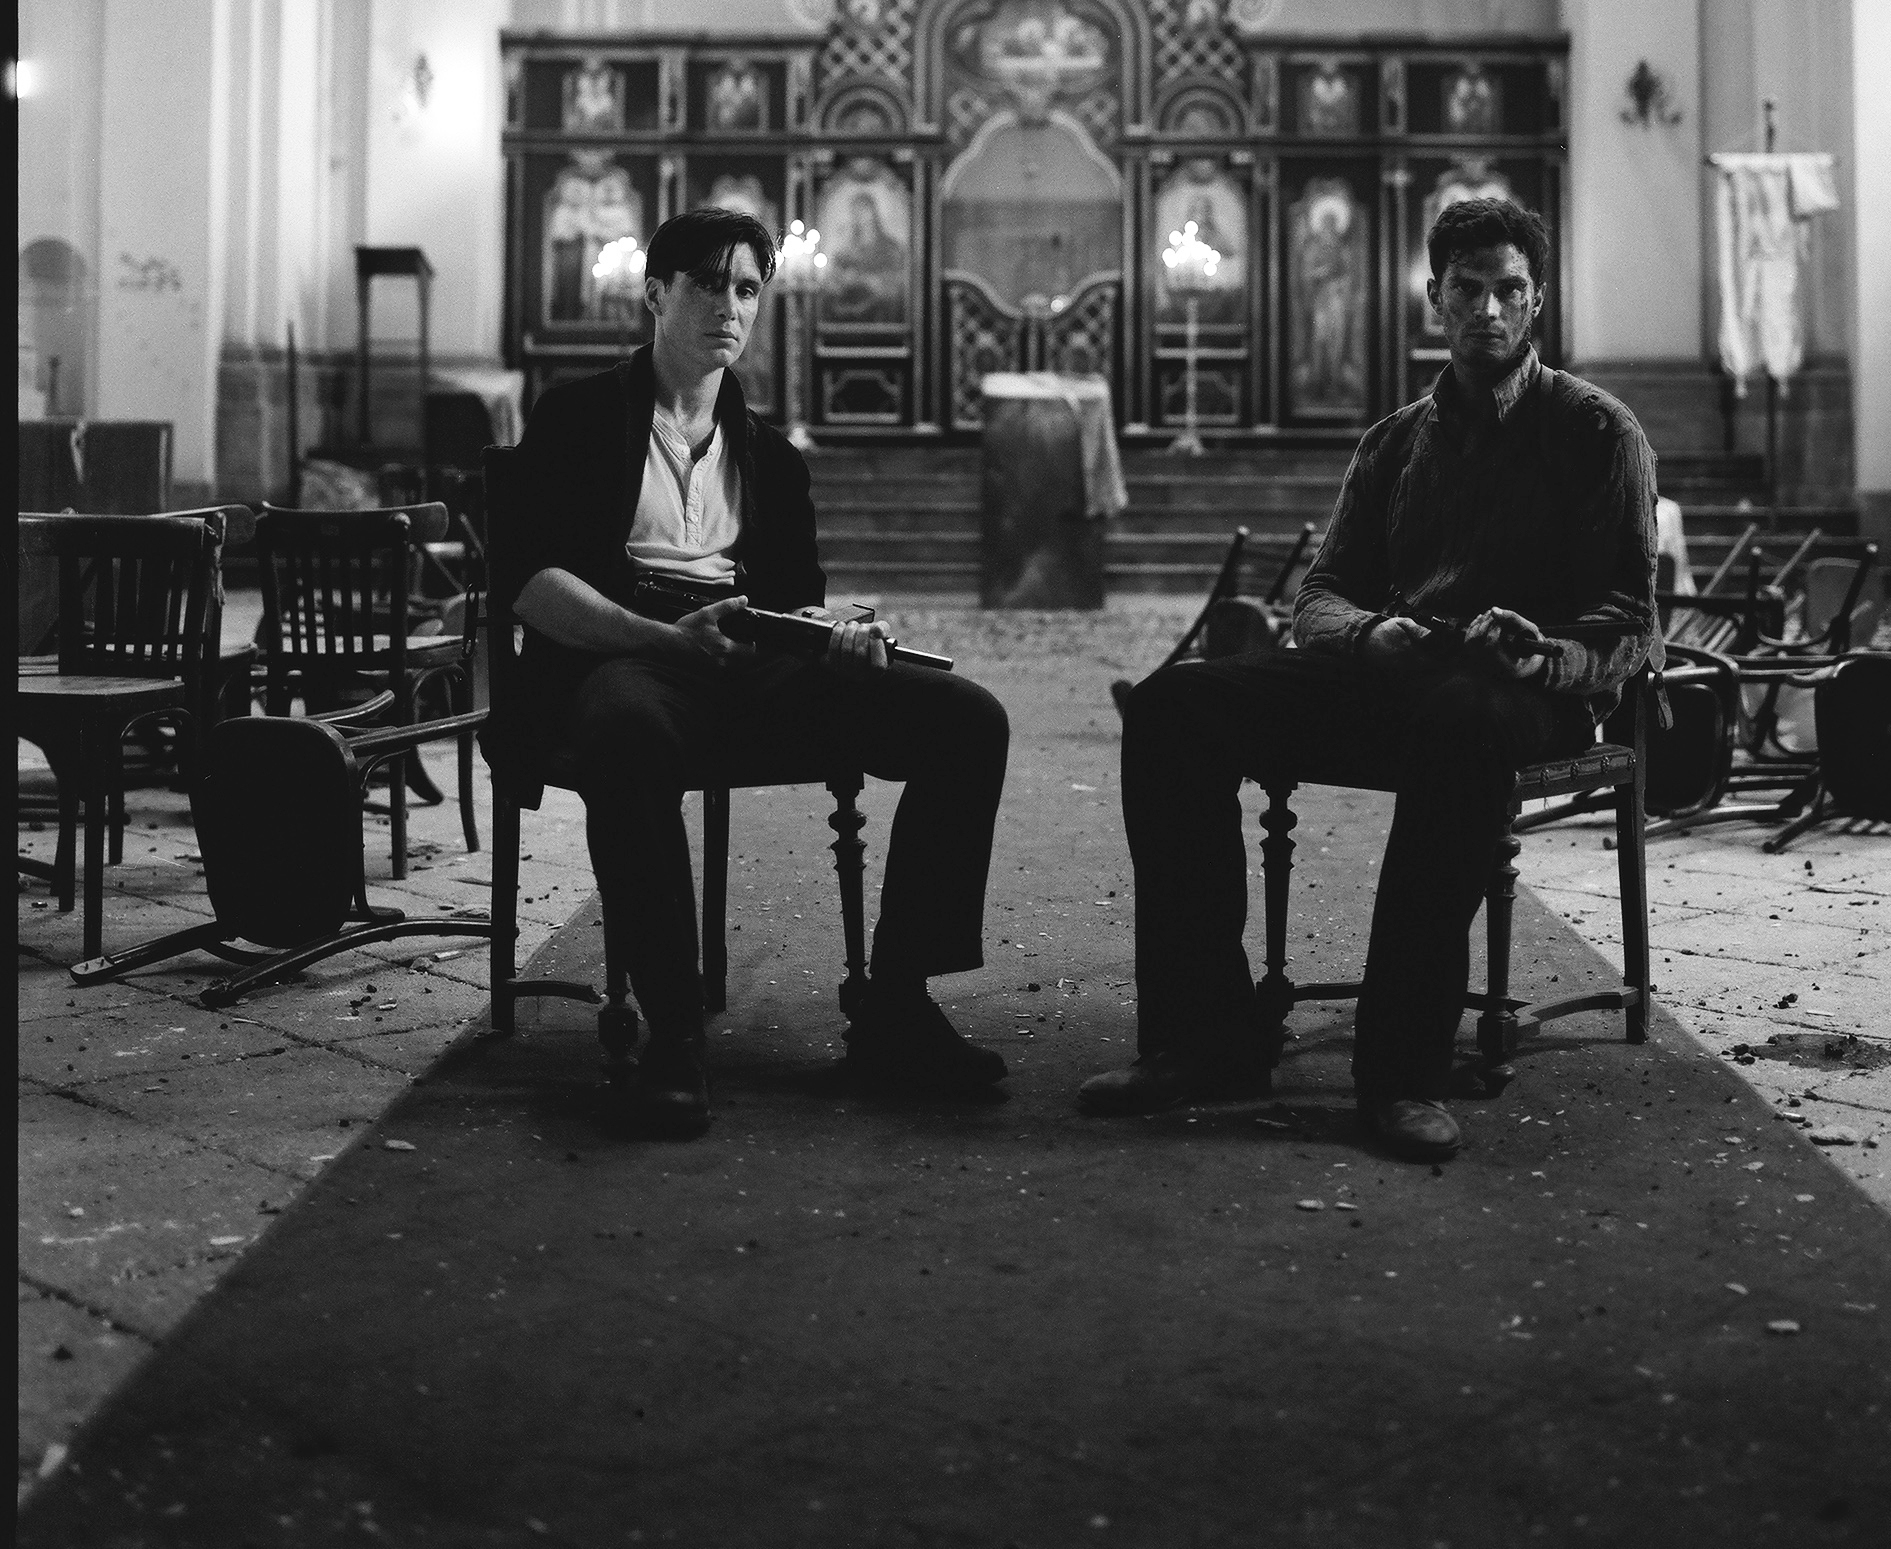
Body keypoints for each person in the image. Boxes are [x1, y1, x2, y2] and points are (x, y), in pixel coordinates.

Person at [1077, 194, 1660, 1161]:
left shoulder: (1597, 432)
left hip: (1524, 696)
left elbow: (1631, 621)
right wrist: (1369, 634)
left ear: (1538, 301)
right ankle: (1208, 1036)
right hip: (1402, 669)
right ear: (1433, 297)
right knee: (1179, 705)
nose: (1487, 312)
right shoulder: (1396, 441)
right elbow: (1321, 595)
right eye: (1466, 290)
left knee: (1462, 727)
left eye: (1509, 291)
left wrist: (1544, 653)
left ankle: (1400, 1072)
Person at [498, 207, 1011, 1137]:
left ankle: (895, 1004)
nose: (732, 306)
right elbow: (530, 585)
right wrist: (658, 638)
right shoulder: (579, 415)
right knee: (625, 727)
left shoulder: (772, 456)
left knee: (965, 718)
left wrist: (840, 636)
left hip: (747, 658)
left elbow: (794, 604)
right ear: (656, 294)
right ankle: (674, 1031)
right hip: (624, 654)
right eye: (709, 284)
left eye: (747, 289)